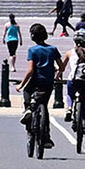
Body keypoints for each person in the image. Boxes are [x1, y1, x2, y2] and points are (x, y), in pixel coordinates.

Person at [20, 22, 62, 159]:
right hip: (48, 83)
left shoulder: (33, 50)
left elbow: (31, 70)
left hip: (36, 80)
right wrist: (56, 74)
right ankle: (47, 137)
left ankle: (28, 110)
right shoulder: (53, 49)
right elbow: (61, 66)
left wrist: (21, 84)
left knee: (27, 92)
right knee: (44, 106)